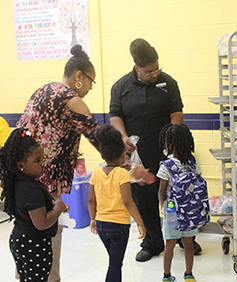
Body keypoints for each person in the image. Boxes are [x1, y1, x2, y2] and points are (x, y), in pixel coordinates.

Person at [17, 44, 154, 282]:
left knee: (27, 240)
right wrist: (134, 170)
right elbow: (102, 141)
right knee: (48, 240)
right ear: (78, 76)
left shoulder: (43, 90)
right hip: (45, 184)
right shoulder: (71, 100)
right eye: (91, 81)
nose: (91, 87)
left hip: (22, 180)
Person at [109, 38, 202, 262]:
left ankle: (182, 236)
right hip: (139, 152)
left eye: (157, 68)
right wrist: (122, 137)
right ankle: (152, 241)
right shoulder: (120, 87)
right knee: (144, 196)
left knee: (177, 193)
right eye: (149, 71)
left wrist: (174, 138)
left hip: (169, 150)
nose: (155, 74)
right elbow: (115, 116)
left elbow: (176, 113)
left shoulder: (168, 83)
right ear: (136, 68)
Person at [0, 128, 68, 282]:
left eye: (43, 159)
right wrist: (58, 208)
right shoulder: (31, 189)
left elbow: (30, 207)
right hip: (34, 245)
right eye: (37, 161)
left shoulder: (19, 183)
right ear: (20, 165)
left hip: (20, 240)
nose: (43, 164)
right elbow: (41, 222)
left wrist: (52, 205)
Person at [88, 124, 146, 282]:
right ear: (123, 154)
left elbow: (91, 200)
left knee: (114, 261)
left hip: (101, 226)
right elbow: (128, 202)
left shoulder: (96, 173)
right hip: (118, 226)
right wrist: (140, 223)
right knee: (115, 265)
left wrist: (92, 218)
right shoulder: (122, 174)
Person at [157, 123, 199, 282]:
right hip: (190, 210)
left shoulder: (166, 165)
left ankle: (167, 276)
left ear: (168, 144)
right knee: (188, 243)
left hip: (172, 211)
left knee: (170, 243)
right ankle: (189, 274)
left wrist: (162, 206)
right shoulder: (193, 163)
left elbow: (161, 190)